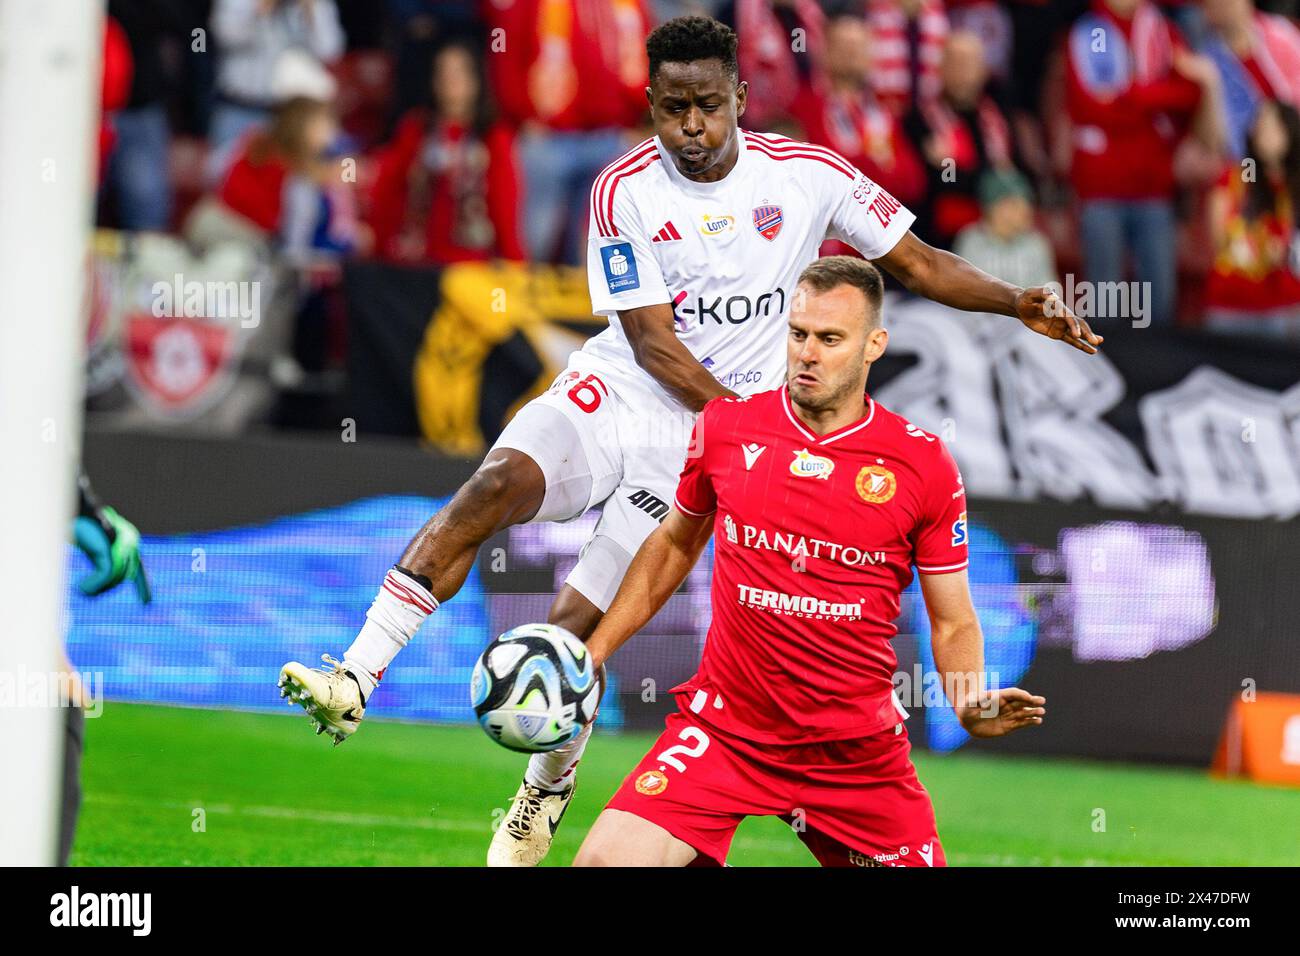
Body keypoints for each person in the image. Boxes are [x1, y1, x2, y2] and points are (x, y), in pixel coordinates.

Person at [278, 14, 1097, 869]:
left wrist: (1016, 300)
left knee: (575, 629)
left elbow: (921, 264)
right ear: (651, 104)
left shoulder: (810, 176)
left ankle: (543, 791)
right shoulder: (623, 189)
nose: (693, 127)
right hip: (625, 398)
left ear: (741, 97)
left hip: (696, 451)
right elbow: (652, 342)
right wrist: (751, 431)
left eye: (708, 105)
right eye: (674, 109)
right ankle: (357, 676)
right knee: (493, 484)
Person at [574, 256, 1046, 867]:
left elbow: (952, 618)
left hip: (854, 754)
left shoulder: (922, 464)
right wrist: (595, 652)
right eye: (798, 335)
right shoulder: (726, 426)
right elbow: (673, 543)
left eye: (830, 339)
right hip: (725, 733)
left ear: (874, 344)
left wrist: (967, 701)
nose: (807, 354)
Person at [368, 40, 525, 265]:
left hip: (470, 266)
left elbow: (505, 205)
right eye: (443, 72)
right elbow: (389, 193)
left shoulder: (493, 137)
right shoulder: (415, 129)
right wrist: (380, 249)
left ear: (476, 80)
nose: (450, 80)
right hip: (415, 263)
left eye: (458, 72)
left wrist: (515, 263)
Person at [1203, 100, 1300, 339]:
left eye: (1274, 126)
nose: (1265, 133)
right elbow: (1217, 237)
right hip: (1231, 303)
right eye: (1261, 124)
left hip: (1283, 306)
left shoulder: (1293, 184)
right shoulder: (1240, 175)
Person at [953, 167, 1057, 288]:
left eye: (1027, 203)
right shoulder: (971, 242)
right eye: (1014, 204)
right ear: (993, 209)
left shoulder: (1036, 243)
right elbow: (962, 295)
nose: (1026, 210)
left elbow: (1051, 298)